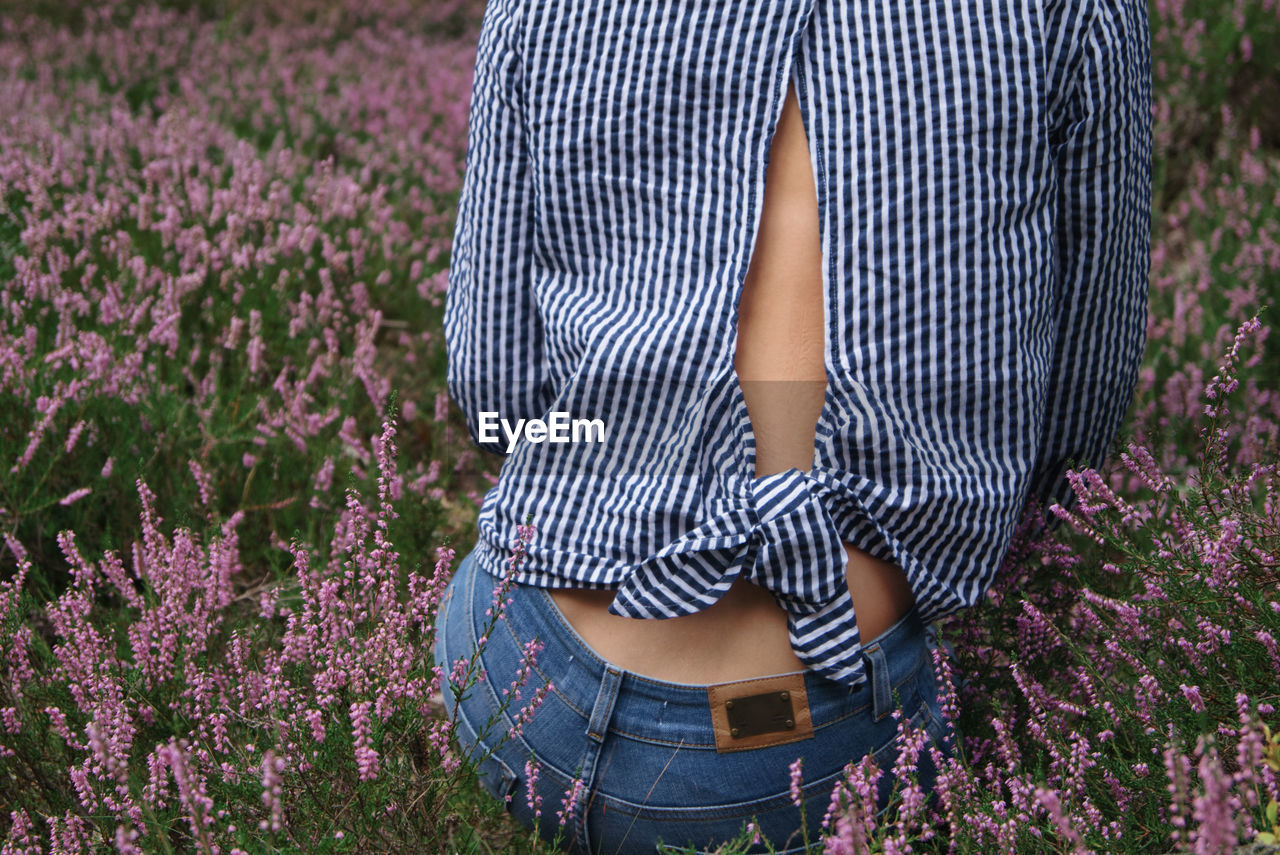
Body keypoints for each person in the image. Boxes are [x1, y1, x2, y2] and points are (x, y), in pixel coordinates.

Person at [436, 0, 1151, 851]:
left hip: (519, 667)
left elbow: (491, 384)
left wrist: (618, 445)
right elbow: (1083, 402)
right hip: (813, 751)